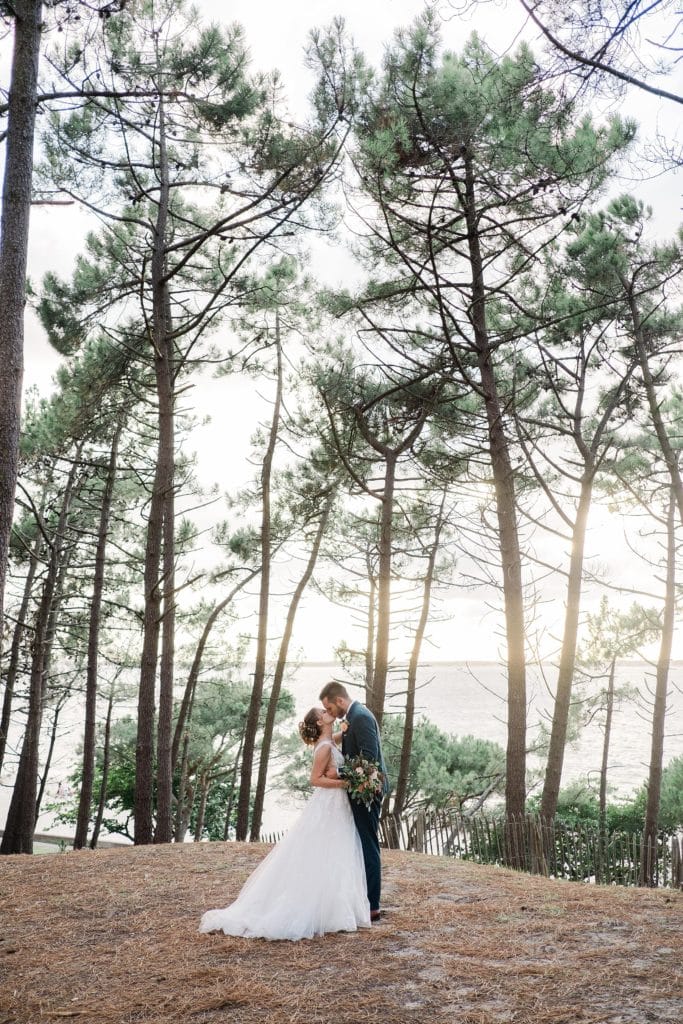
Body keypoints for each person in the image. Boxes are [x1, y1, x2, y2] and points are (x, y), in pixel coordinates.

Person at [199, 707, 370, 940]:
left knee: (336, 852)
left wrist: (345, 730)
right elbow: (315, 779)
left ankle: (335, 908)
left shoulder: (328, 739)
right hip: (329, 804)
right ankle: (321, 909)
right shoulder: (323, 747)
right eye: (323, 711)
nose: (327, 710)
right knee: (327, 850)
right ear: (320, 722)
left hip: (337, 806)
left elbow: (336, 739)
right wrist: (346, 784)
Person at [319, 681, 387, 922]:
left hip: (368, 791)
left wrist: (338, 774)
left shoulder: (361, 717)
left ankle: (373, 906)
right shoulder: (352, 717)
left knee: (368, 845)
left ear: (339, 700)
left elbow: (369, 759)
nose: (329, 713)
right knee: (359, 843)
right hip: (358, 789)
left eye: (329, 707)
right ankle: (363, 899)